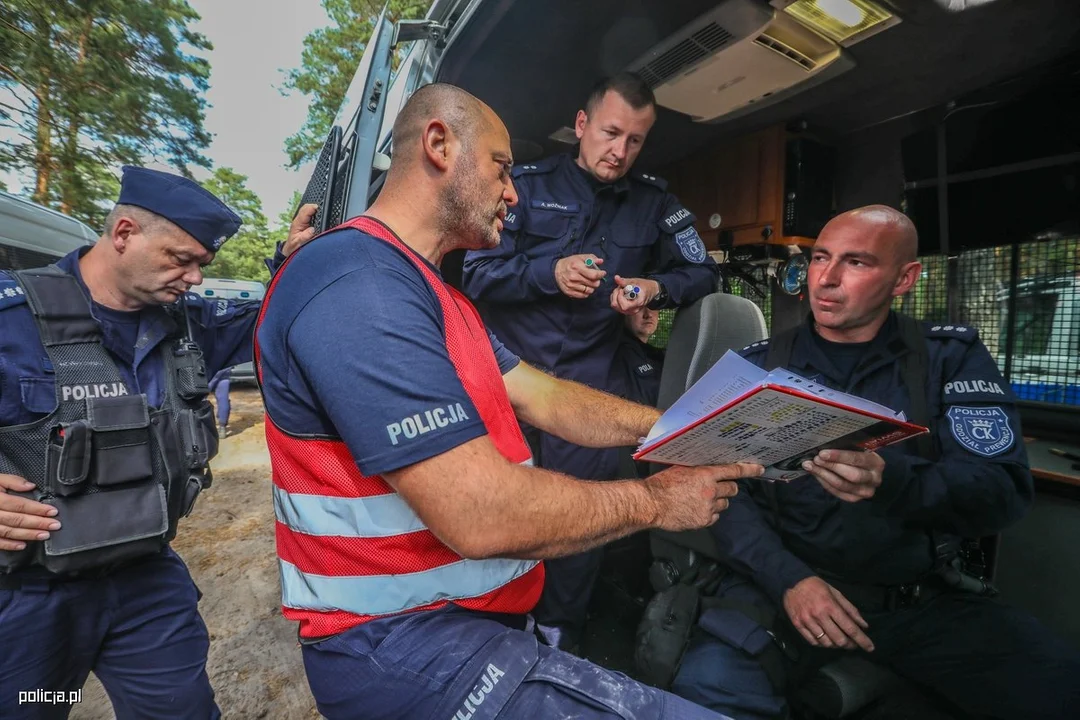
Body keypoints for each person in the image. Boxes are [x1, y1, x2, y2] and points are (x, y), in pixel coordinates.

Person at [254, 82, 762, 720]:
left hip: (471, 623)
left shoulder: (432, 296)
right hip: (400, 641)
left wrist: (675, 426)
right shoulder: (359, 283)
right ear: (439, 145)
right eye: (500, 168)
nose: (514, 191)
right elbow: (481, 515)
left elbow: (545, 397)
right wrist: (659, 501)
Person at [669, 205, 1080, 720]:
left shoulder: (949, 359)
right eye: (820, 258)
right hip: (783, 587)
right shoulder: (757, 366)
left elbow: (1001, 493)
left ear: (904, 278)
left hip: (916, 602)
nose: (828, 279)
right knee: (703, 698)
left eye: (857, 263)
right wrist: (787, 579)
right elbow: (719, 491)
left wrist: (896, 481)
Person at [0, 166, 316, 719]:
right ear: (123, 233)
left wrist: (290, 262)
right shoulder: (12, 318)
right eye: (180, 258)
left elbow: (268, 316)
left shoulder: (188, 325)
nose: (194, 277)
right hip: (28, 600)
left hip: (146, 583)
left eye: (202, 265)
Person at [461, 72, 720, 650]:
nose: (619, 151)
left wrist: (653, 289)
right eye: (610, 133)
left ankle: (557, 635)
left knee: (580, 516)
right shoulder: (522, 186)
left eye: (635, 140)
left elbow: (704, 272)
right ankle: (491, 628)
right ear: (581, 126)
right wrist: (548, 273)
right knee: (501, 507)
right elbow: (477, 273)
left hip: (593, 383)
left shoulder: (655, 202)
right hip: (510, 382)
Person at [209, 367, 232, 436]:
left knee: (200, 397)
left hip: (210, 369)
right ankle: (222, 427)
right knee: (223, 398)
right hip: (225, 370)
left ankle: (200, 425)